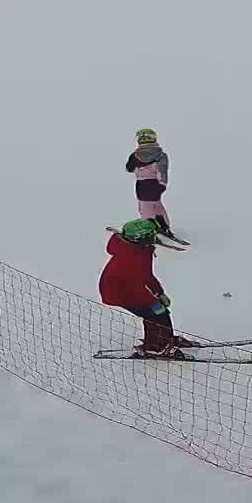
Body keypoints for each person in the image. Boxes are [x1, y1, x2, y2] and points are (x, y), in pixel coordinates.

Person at [99, 218, 178, 357]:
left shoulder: (141, 250)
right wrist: (153, 302)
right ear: (141, 238)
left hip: (130, 288)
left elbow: (146, 275)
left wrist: (159, 293)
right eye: (152, 235)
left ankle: (166, 339)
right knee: (155, 315)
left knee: (161, 312)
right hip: (119, 292)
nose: (155, 237)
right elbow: (136, 286)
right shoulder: (130, 257)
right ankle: (155, 347)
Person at [125, 128, 179, 241]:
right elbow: (163, 171)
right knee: (157, 205)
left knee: (145, 208)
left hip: (142, 184)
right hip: (156, 184)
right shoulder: (161, 155)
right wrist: (162, 184)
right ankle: (165, 227)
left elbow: (129, 168)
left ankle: (148, 232)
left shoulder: (135, 156)